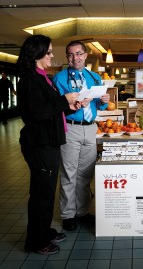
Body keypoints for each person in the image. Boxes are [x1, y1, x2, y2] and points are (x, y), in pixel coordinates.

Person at [16, 35, 80, 255]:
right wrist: (64, 100)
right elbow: (35, 113)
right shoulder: (29, 80)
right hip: (39, 143)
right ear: (37, 54)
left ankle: (43, 231)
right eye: (50, 52)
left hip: (49, 142)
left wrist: (72, 105)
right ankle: (35, 241)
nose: (53, 56)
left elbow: (52, 109)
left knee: (46, 190)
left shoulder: (42, 77)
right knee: (41, 194)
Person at [53, 41, 110, 231]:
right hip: (71, 127)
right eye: (70, 55)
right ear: (67, 57)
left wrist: (104, 100)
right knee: (69, 173)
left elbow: (99, 106)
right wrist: (71, 106)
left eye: (78, 54)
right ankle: (68, 214)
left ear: (85, 55)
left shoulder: (94, 77)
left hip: (91, 128)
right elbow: (55, 107)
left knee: (85, 174)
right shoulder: (59, 78)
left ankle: (82, 212)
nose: (74, 58)